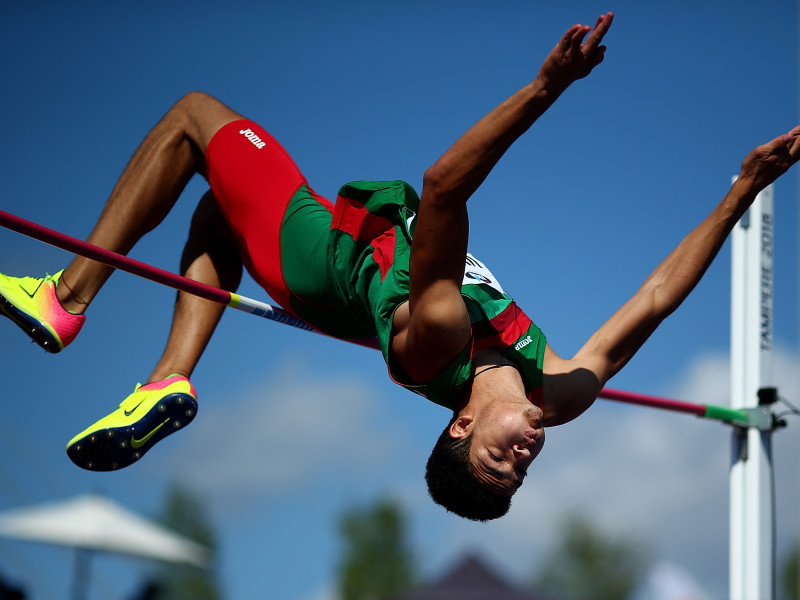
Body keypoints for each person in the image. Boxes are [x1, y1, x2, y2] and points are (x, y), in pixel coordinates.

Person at [1, 12, 798, 521]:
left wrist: (544, 89)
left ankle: (68, 295)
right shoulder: (558, 392)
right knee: (217, 212)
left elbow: (445, 184)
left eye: (497, 460)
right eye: (518, 475)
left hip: (315, 253)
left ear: (460, 424)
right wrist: (742, 190)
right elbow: (656, 299)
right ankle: (166, 376)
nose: (522, 459)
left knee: (193, 117)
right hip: (319, 271)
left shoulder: (442, 336)